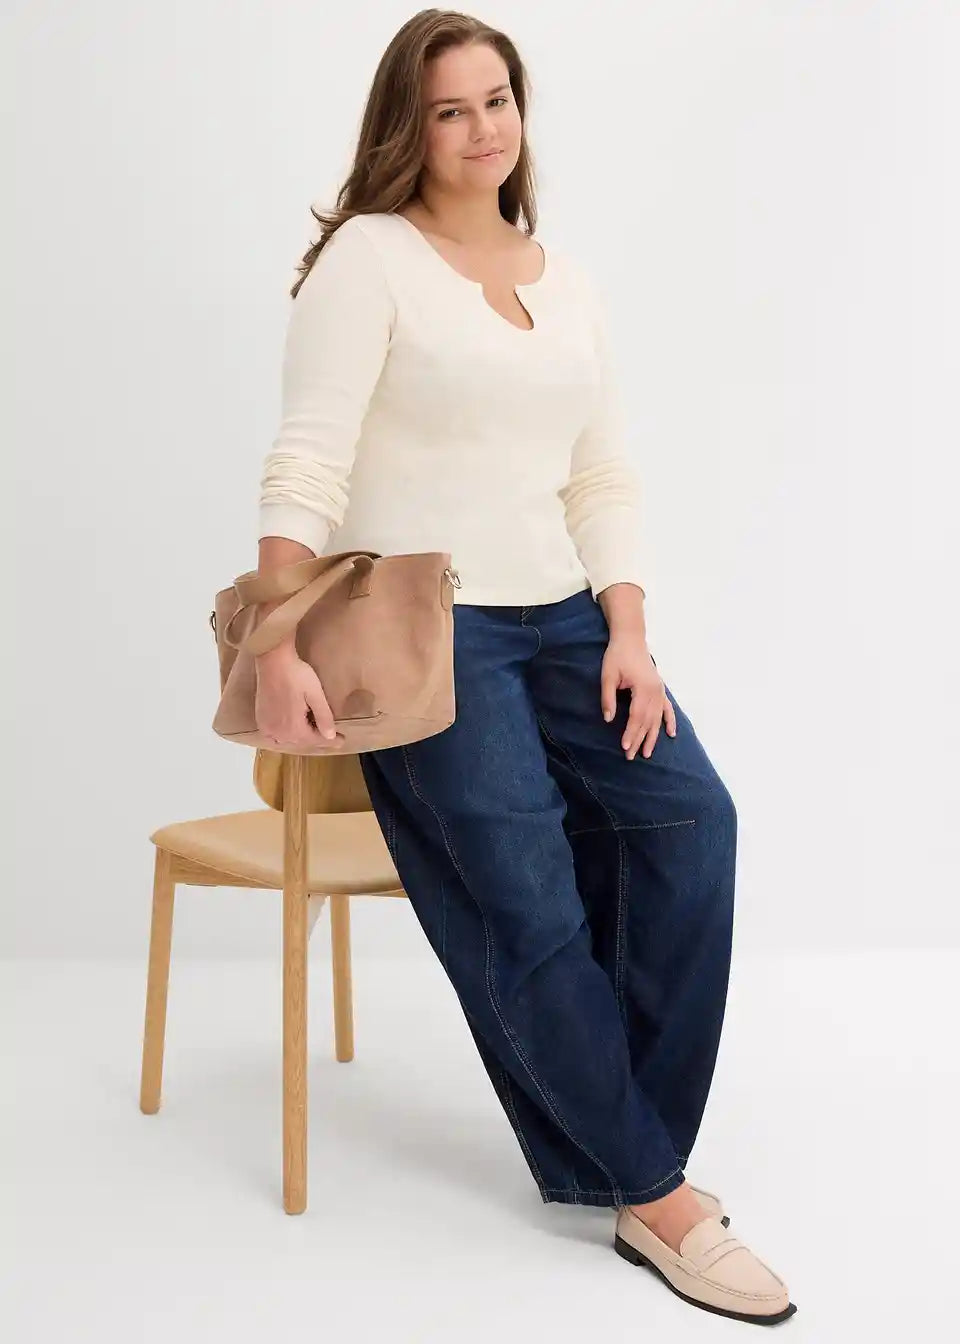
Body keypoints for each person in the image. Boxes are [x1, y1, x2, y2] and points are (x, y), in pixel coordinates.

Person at [252, 9, 796, 1327]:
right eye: (451, 108)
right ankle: (661, 1200)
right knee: (531, 899)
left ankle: (623, 1156)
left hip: (567, 617)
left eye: (498, 99)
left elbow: (599, 471)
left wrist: (629, 630)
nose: (482, 127)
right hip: (426, 628)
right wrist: (273, 641)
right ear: (410, 125)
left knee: (691, 822)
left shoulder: (565, 278)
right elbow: (309, 459)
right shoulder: (371, 261)